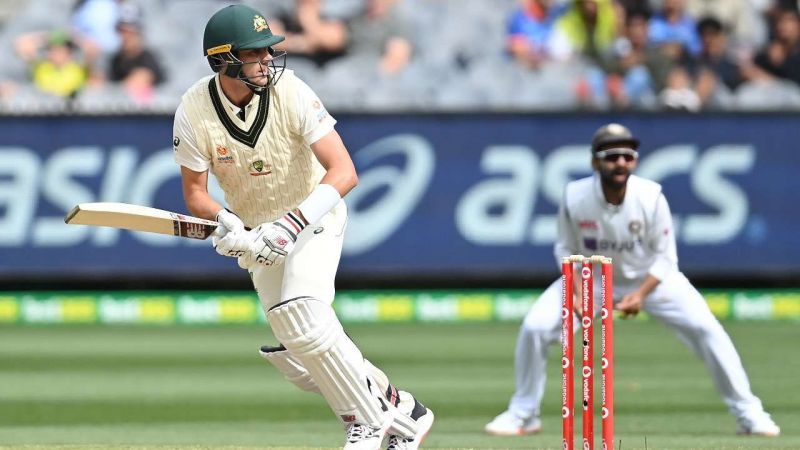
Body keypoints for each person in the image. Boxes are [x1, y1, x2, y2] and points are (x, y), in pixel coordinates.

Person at [171, 5, 433, 450]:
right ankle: (402, 407)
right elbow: (196, 194)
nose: (267, 61)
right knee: (300, 349)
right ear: (223, 60)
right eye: (254, 55)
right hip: (259, 230)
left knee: (306, 319)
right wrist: (229, 225)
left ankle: (368, 423)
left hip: (314, 215)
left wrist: (289, 226)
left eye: (267, 52)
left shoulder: (291, 91)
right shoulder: (193, 110)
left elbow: (345, 172)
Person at [484, 123, 780, 437]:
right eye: (612, 156)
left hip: (651, 279)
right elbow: (564, 246)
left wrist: (640, 294)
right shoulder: (575, 196)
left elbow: (666, 258)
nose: (621, 163)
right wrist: (574, 289)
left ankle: (749, 414)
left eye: (628, 156)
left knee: (708, 330)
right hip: (592, 279)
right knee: (536, 327)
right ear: (595, 162)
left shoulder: (650, 197)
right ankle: (523, 414)